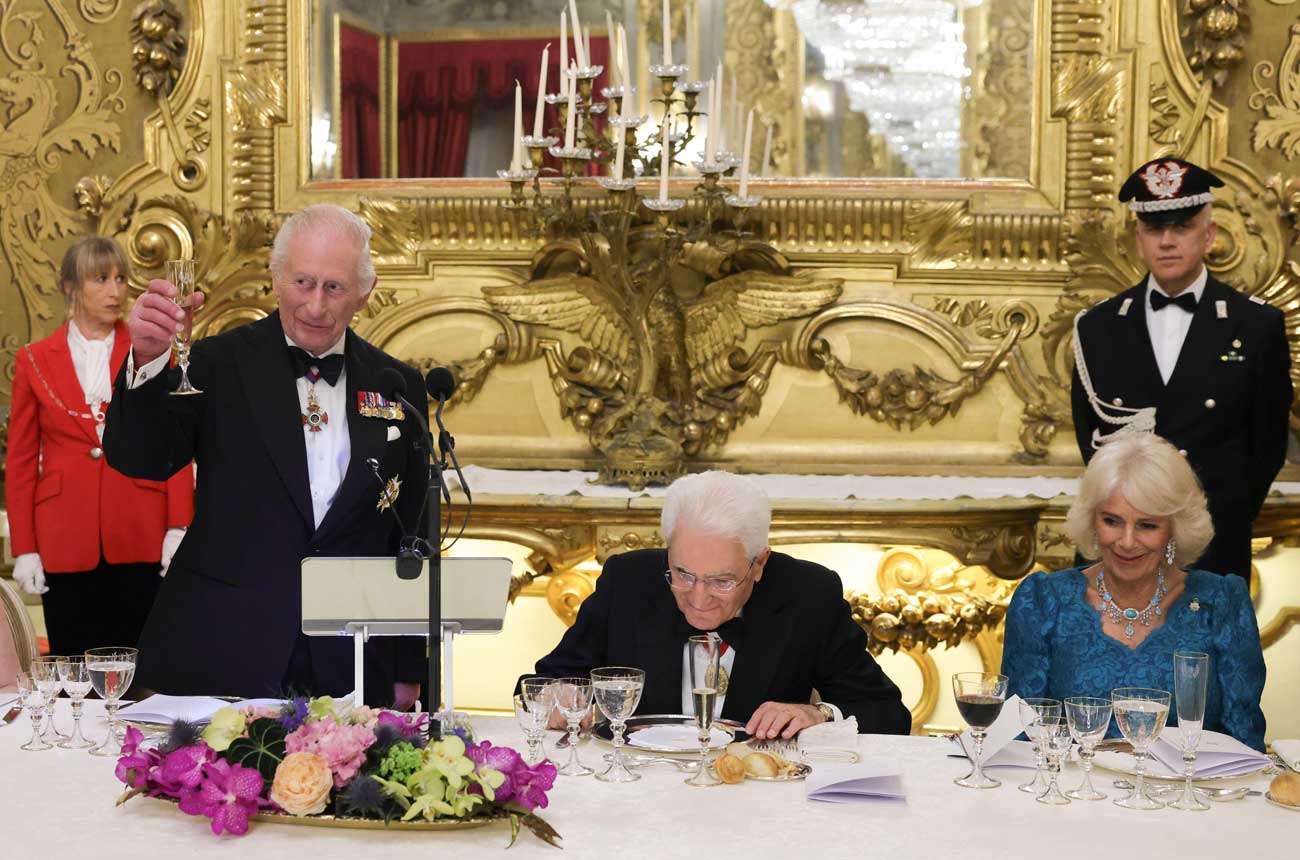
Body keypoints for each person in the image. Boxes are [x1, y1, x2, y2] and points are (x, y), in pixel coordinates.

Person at [102, 205, 427, 708]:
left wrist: (407, 666)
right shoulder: (215, 363)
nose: (316, 305)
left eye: (334, 287)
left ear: (366, 290)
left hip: (350, 661)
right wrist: (147, 360)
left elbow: (411, 531)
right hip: (223, 647)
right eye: (303, 282)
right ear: (276, 277)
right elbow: (140, 458)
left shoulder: (396, 383)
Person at [525, 471, 912, 739]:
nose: (698, 598)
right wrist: (557, 696)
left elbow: (888, 713)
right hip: (641, 787)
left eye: (722, 581)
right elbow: (538, 685)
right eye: (682, 574)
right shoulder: (626, 581)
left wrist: (819, 714)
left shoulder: (809, 594)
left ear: (758, 563)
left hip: (757, 795)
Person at [1071, 157, 1293, 581]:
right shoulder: (1097, 328)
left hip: (1212, 548)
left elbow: (1266, 449)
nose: (1167, 241)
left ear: (1209, 235)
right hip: (1120, 551)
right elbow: (1091, 445)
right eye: (1155, 228)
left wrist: (1213, 519)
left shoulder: (1256, 326)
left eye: (1182, 227)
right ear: (1139, 237)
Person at [1001, 432, 1266, 750]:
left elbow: (1244, 743)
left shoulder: (1221, 604)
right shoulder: (1043, 600)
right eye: (1112, 521)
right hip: (1075, 792)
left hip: (1184, 795)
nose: (1126, 542)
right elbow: (1017, 736)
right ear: (1092, 520)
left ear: (1174, 529)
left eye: (1147, 525)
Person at [5, 237, 193, 656]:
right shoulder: (34, 359)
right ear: (70, 286)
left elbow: (175, 440)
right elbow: (19, 462)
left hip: (140, 531)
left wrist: (178, 525)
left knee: (141, 667)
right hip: (64, 539)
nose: (116, 290)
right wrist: (25, 549)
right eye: (101, 279)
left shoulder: (149, 349)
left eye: (121, 278)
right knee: (73, 667)